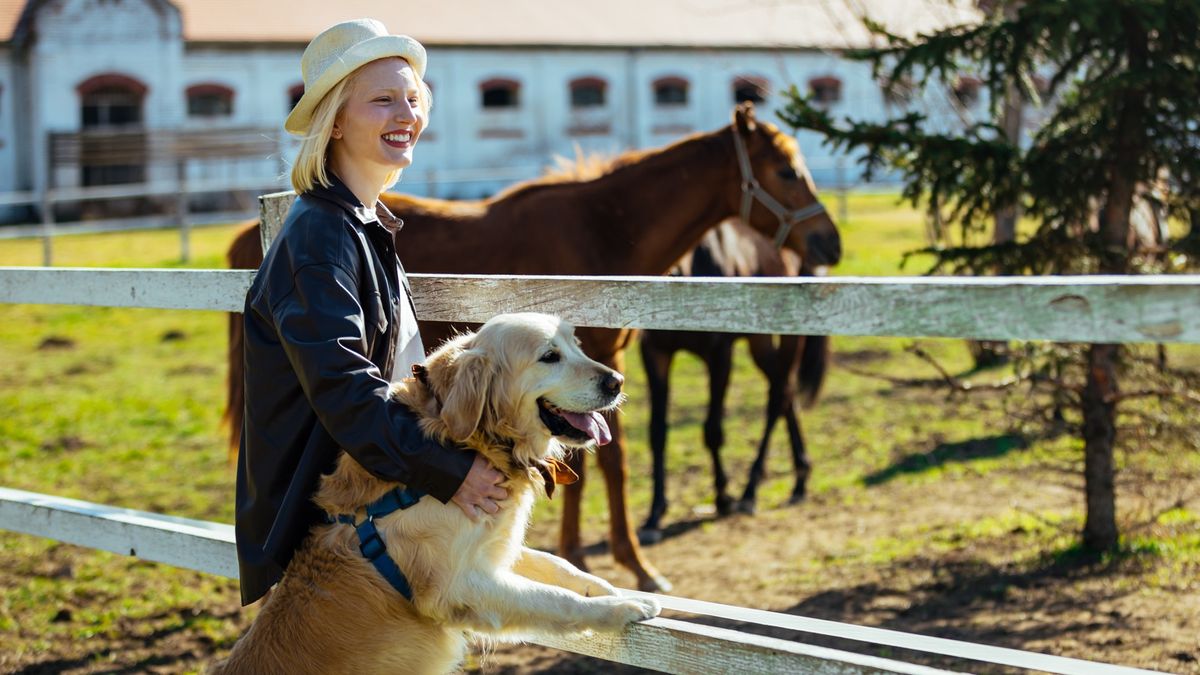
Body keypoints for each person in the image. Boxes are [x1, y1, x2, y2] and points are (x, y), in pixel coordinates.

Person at [234, 18, 507, 606]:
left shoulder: (358, 225)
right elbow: (346, 392)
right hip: (328, 544)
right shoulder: (321, 239)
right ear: (334, 121)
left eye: (413, 98)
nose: (405, 114)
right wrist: (451, 473)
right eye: (382, 100)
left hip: (366, 515)